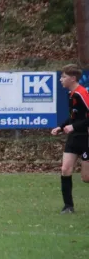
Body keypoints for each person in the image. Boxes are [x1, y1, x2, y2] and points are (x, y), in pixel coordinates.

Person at [51, 64, 89, 214]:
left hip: (86, 138)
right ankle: (68, 207)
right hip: (74, 138)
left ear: (73, 78)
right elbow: (73, 117)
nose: (61, 79)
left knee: (86, 178)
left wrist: (74, 127)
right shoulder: (71, 95)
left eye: (64, 77)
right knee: (65, 169)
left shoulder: (81, 94)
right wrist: (61, 126)